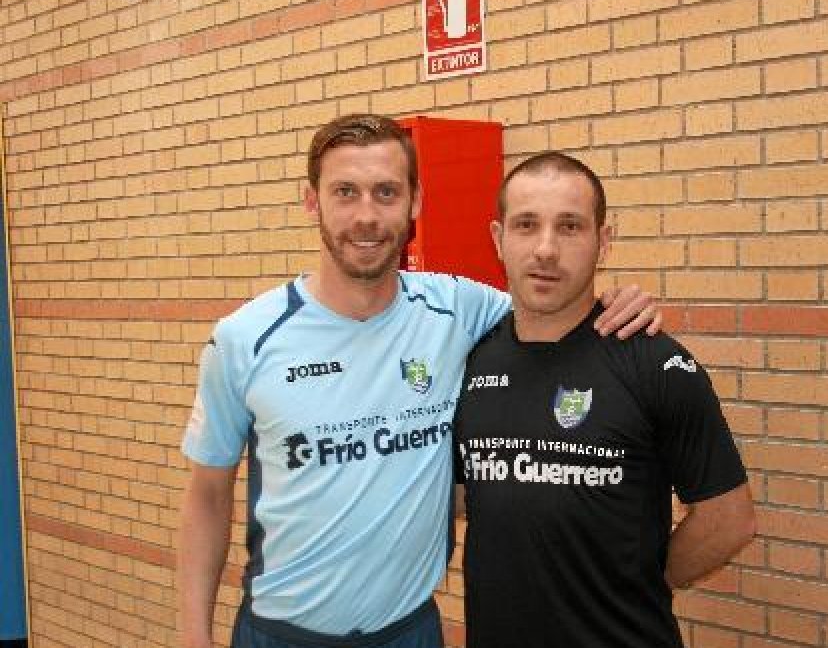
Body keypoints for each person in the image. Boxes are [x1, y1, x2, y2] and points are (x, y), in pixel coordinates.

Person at [178, 115, 660, 648]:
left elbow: (552, 309)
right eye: (345, 192)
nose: (366, 216)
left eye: (386, 192)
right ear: (312, 201)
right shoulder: (245, 339)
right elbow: (207, 496)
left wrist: (616, 302)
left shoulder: (458, 309)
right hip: (280, 636)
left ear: (415, 202)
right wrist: (193, 636)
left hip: (411, 632)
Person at [453, 152, 756, 648]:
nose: (546, 249)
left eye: (570, 227)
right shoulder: (468, 360)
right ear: (498, 239)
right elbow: (469, 494)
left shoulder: (653, 364)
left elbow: (730, 520)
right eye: (526, 225)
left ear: (603, 241)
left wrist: (639, 582)